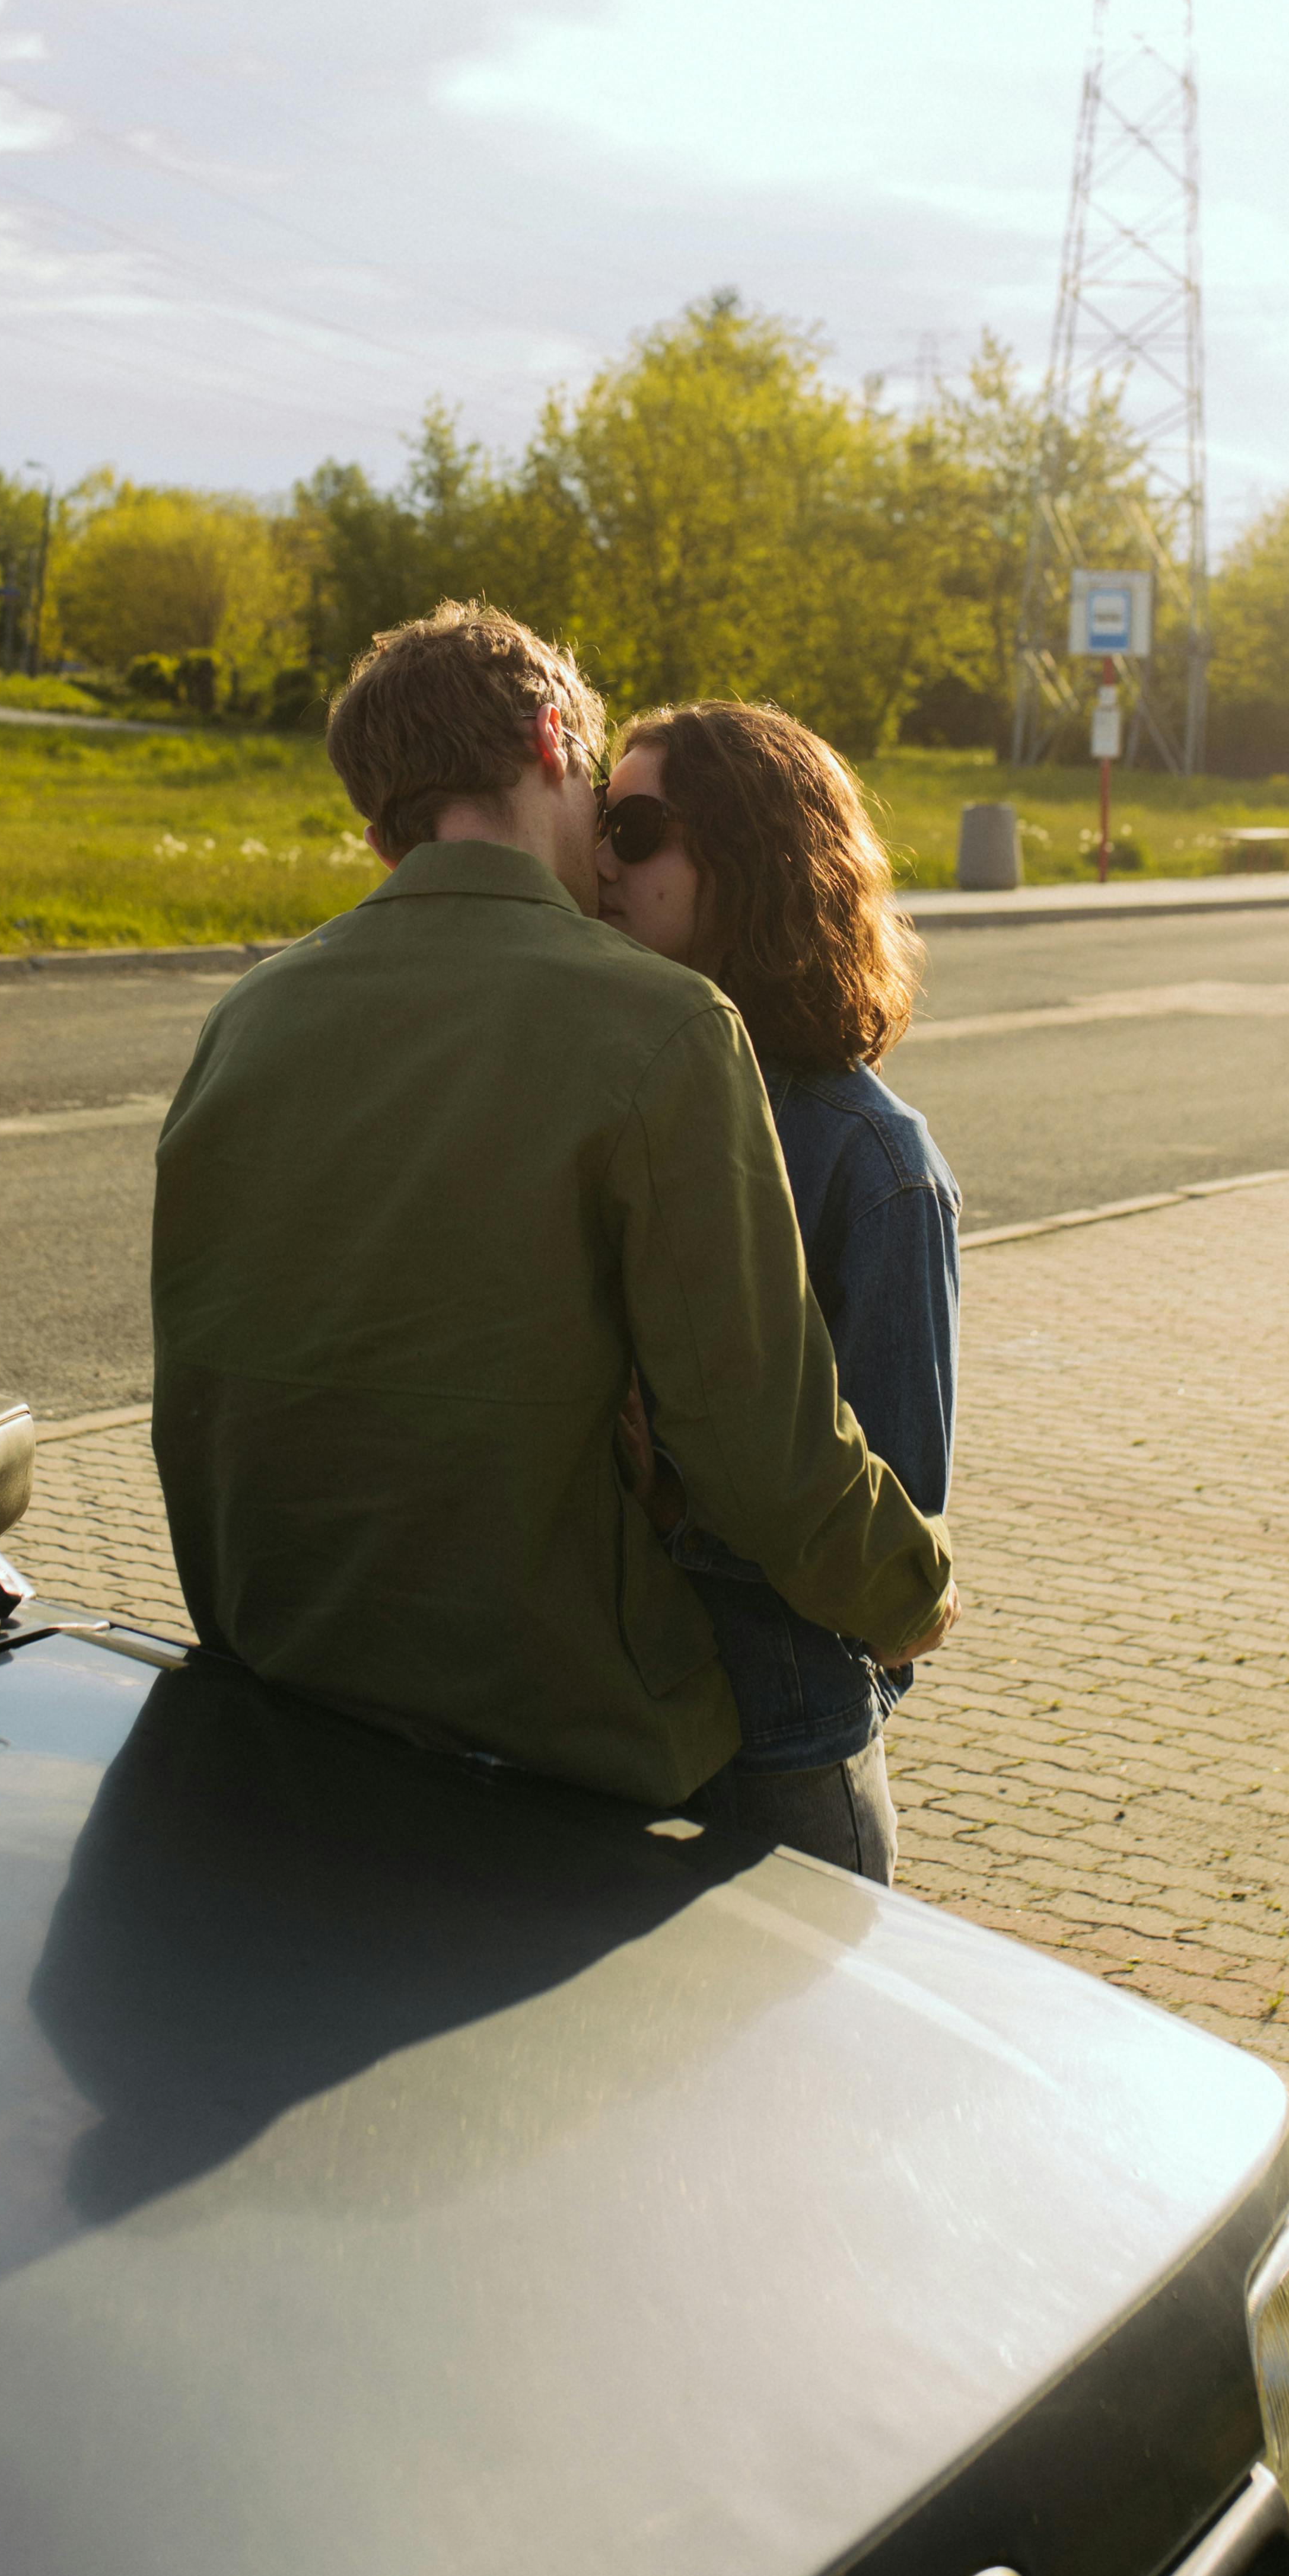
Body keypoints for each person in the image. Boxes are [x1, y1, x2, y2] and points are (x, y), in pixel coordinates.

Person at [147, 600, 955, 1829]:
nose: (611, 852)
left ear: (377, 829)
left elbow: (218, 1388)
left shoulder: (246, 1019)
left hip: (288, 1701)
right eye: (604, 803)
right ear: (546, 742)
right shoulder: (659, 1026)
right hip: (575, 1730)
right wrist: (912, 1597)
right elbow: (760, 1445)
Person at [594, 701, 959, 1887]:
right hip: (605, 1719)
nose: (598, 858)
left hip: (777, 1757)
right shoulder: (611, 1093)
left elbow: (895, 1522)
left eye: (636, 830)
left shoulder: (876, 1169)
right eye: (598, 821)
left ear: (748, 862)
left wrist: (675, 1491)